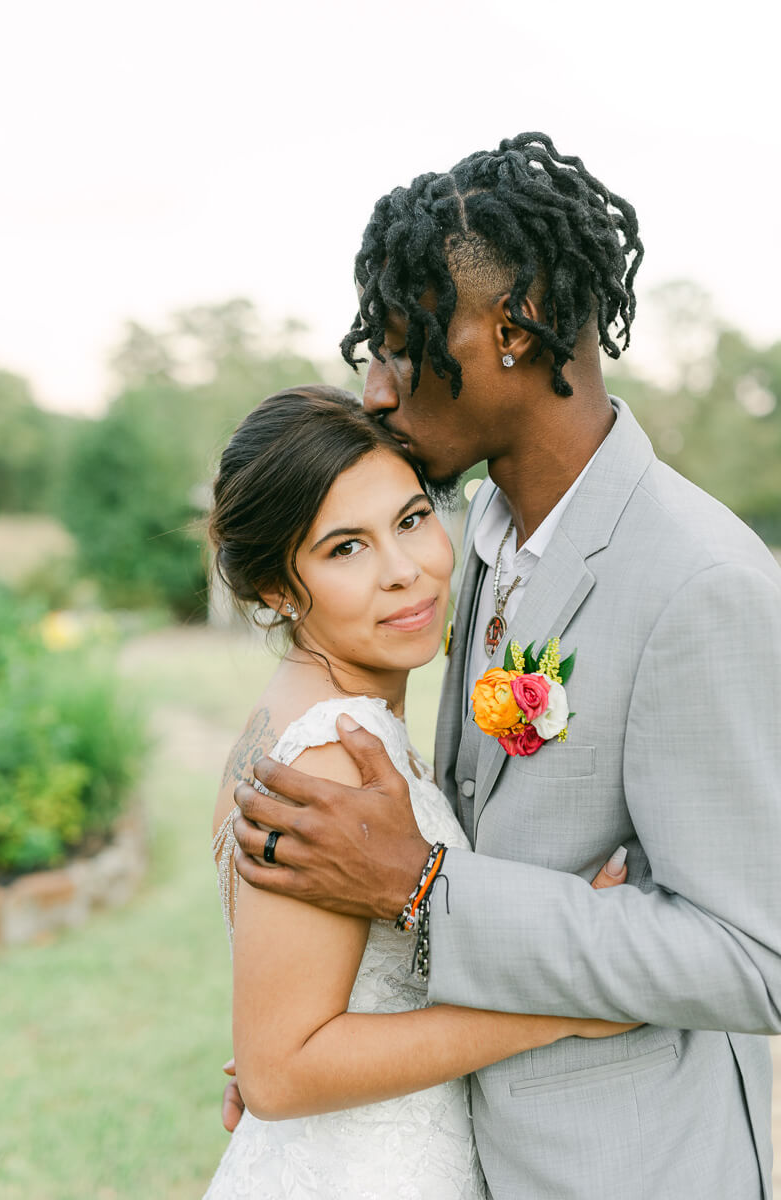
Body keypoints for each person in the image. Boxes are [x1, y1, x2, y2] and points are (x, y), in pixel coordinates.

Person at [228, 135, 781, 1198]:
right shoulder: (476, 529)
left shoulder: (696, 580)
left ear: (511, 333)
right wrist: (322, 1034)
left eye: (398, 345)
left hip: (629, 1166)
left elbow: (753, 956)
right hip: (472, 1140)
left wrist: (425, 887)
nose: (377, 390)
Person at [203, 385, 636, 1198]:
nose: (406, 572)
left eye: (409, 520)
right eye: (345, 549)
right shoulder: (330, 753)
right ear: (275, 588)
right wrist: (563, 1010)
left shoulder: (301, 720)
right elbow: (281, 1073)